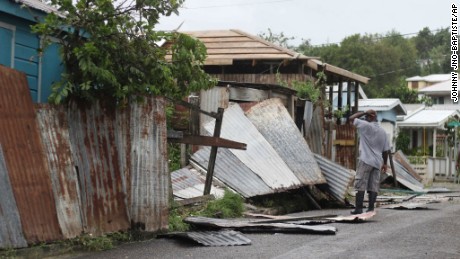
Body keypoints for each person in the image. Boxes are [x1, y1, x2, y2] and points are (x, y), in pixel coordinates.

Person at [348, 109, 390, 214]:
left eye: (366, 117)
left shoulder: (366, 126)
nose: (365, 119)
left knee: (360, 183)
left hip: (366, 160)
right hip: (377, 162)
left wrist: (363, 112)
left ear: (371, 117)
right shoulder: (383, 132)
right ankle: (371, 208)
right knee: (373, 185)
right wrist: (385, 163)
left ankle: (358, 209)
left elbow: (351, 119)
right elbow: (386, 151)